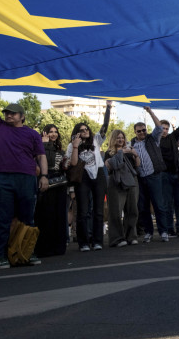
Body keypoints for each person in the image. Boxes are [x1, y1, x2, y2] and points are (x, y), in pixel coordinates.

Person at [0, 92, 48, 269]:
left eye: (13, 113)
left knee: (27, 218)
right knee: (3, 219)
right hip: (3, 178)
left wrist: (44, 176)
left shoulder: (32, 134)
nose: (9, 115)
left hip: (26, 178)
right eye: (7, 112)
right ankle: (1, 255)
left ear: (22, 116)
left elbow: (41, 156)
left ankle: (27, 252)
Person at [66, 101, 112, 252]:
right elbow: (72, 164)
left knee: (98, 210)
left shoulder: (96, 140)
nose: (85, 131)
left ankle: (98, 241)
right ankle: (84, 242)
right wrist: (75, 145)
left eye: (86, 129)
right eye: (81, 129)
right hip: (82, 177)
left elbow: (105, 126)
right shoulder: (72, 145)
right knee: (83, 211)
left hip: (98, 175)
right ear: (77, 132)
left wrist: (108, 107)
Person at [132, 106, 169, 242]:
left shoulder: (152, 139)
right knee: (143, 207)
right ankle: (148, 232)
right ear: (135, 132)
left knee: (159, 204)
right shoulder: (132, 144)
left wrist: (150, 112)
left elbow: (159, 128)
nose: (142, 132)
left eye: (143, 130)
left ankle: (163, 231)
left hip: (154, 176)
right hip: (141, 178)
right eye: (139, 131)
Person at [34, 124, 70, 256]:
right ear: (44, 133)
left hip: (60, 184)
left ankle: (58, 246)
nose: (53, 134)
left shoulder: (59, 148)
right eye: (50, 132)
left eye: (55, 132)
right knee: (45, 214)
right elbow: (45, 162)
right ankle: (45, 247)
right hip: (46, 182)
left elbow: (60, 167)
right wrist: (45, 144)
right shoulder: (40, 146)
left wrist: (65, 163)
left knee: (59, 215)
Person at [104, 130, 140, 247]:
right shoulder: (109, 153)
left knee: (132, 209)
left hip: (131, 181)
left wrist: (135, 154)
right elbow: (110, 166)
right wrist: (121, 153)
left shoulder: (129, 151)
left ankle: (131, 236)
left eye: (122, 138)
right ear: (113, 139)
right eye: (118, 138)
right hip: (116, 182)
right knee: (115, 211)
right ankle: (117, 239)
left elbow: (138, 165)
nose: (121, 140)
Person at [159, 112, 179, 236]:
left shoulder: (172, 137)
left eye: (166, 128)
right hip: (164, 175)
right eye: (162, 128)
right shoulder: (155, 140)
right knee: (167, 204)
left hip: (177, 174)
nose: (165, 131)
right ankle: (169, 229)